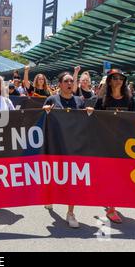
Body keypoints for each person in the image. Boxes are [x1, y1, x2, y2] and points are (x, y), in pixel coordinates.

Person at [43, 71, 92, 229]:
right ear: (60, 84)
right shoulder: (52, 99)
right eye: (66, 81)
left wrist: (89, 113)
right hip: (55, 146)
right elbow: (41, 121)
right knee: (54, 176)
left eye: (71, 81)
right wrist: (45, 112)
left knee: (72, 180)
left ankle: (70, 213)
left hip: (73, 147)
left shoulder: (79, 101)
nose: (69, 83)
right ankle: (49, 196)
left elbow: (84, 122)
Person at [94, 69, 135, 224]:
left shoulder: (130, 99)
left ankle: (112, 209)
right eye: (115, 78)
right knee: (105, 175)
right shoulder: (102, 99)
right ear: (109, 81)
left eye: (121, 78)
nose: (119, 80)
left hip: (123, 143)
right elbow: (96, 120)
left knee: (117, 176)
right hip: (104, 143)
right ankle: (106, 199)